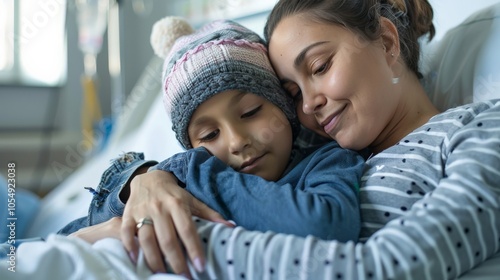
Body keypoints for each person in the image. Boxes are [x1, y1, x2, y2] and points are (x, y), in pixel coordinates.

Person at [62, 0, 500, 279]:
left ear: (386, 42)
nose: (308, 105)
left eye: (320, 66)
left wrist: (162, 232)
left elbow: (392, 267)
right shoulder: (304, 156)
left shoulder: (476, 130)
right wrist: (146, 180)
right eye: (291, 93)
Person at [61, 16, 364, 274]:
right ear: (190, 143)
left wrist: (190, 171)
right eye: (208, 135)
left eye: (250, 113)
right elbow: (58, 242)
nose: (237, 142)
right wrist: (143, 182)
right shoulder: (170, 185)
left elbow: (327, 224)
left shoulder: (327, 161)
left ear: (283, 104)